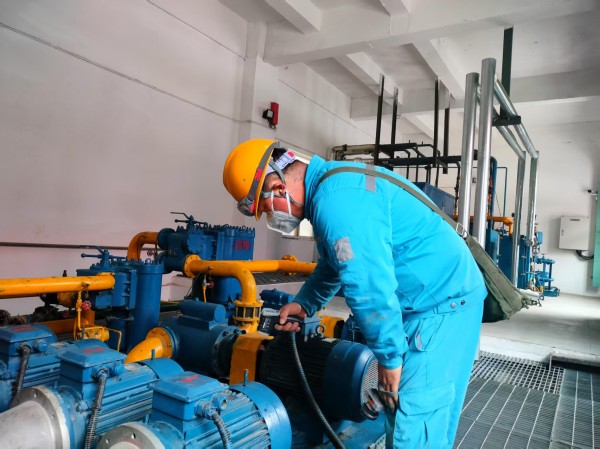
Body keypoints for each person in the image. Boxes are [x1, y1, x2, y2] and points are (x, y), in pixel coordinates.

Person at [222, 138, 487, 448]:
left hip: (442, 305)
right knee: (404, 411)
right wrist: (305, 304)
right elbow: (335, 262)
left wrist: (389, 359)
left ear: (279, 188)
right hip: (430, 299)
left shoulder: (337, 204)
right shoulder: (331, 186)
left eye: (267, 208)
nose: (273, 217)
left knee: (414, 420)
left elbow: (369, 287)